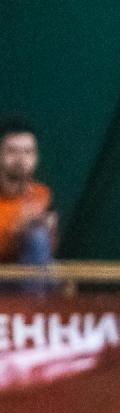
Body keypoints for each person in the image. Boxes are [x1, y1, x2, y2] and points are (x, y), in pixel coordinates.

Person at [0, 119, 56, 291]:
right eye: (12, 151)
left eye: (28, 152)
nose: (20, 159)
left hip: (28, 276)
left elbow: (44, 253)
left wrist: (48, 229)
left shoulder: (42, 194)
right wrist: (16, 231)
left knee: (61, 274)